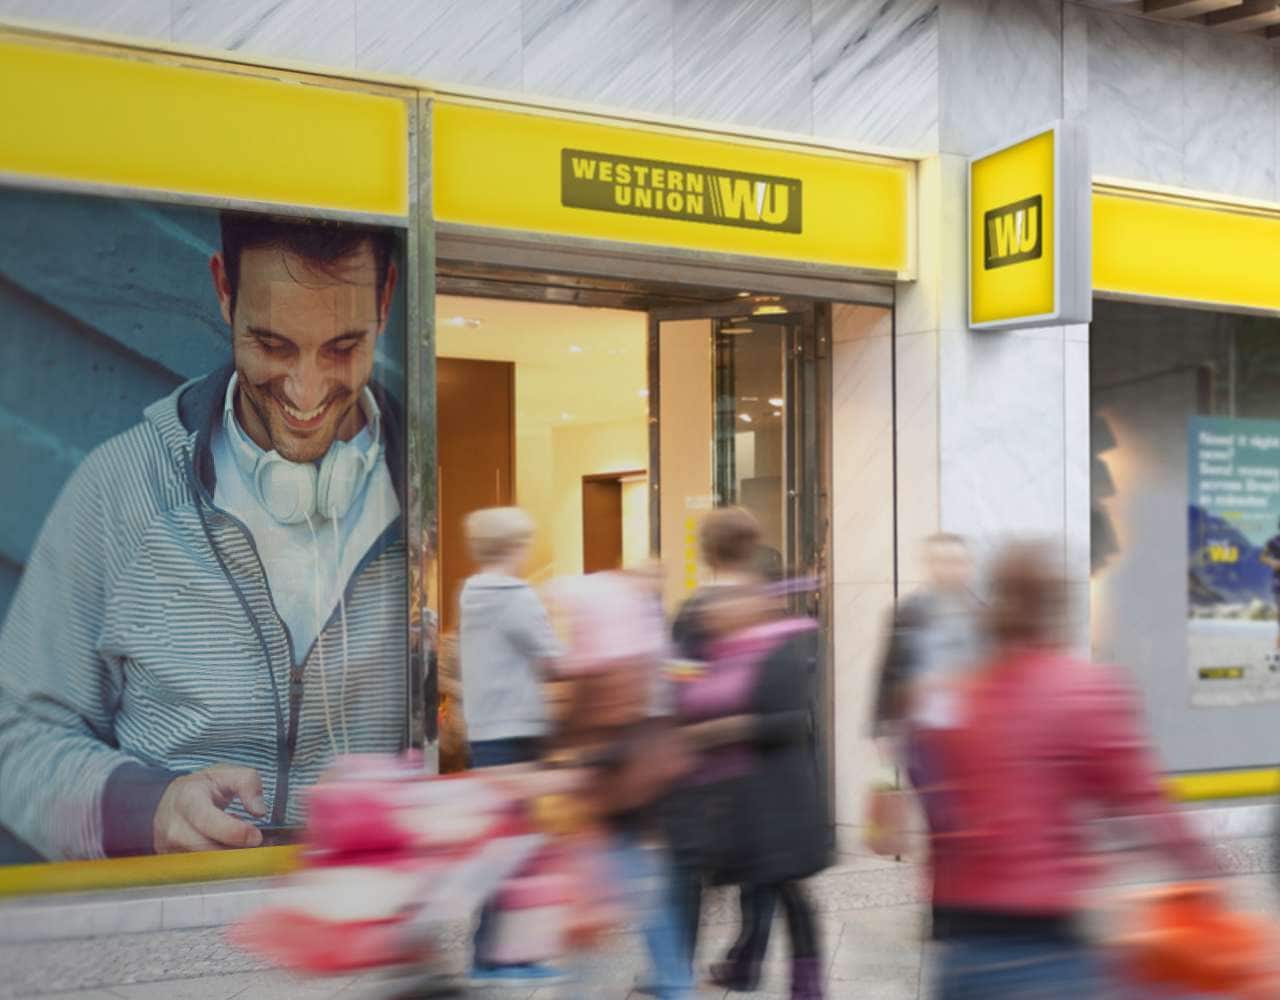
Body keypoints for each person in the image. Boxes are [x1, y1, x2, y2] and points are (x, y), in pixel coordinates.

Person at [0, 212, 405, 861]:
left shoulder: (428, 489)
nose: (305, 392)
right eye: (272, 345)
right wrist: (147, 810)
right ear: (224, 289)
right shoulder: (121, 485)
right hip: (173, 915)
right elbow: (17, 736)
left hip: (367, 912)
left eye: (341, 348)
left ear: (385, 299)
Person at [920, 541, 1216, 999]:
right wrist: (1206, 872)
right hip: (1048, 955)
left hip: (962, 958)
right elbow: (1148, 807)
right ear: (1056, 608)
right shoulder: (1084, 688)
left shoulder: (959, 697)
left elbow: (941, 825)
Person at [457, 506, 564, 985]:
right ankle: (497, 958)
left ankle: (495, 953)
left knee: (504, 848)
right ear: (516, 546)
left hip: (486, 735)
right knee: (518, 851)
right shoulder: (517, 597)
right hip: (520, 734)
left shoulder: (472, 593)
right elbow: (555, 660)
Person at [872, 533, 983, 740]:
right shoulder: (907, 613)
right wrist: (882, 724)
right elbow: (889, 670)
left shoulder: (982, 616)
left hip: (972, 730)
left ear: (968, 565)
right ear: (930, 565)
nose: (948, 569)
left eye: (955, 562)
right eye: (941, 561)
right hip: (922, 732)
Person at [1258, 518, 1280, 660]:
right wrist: (1273, 562)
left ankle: (1275, 652)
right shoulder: (1273, 541)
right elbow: (1262, 557)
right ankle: (1276, 652)